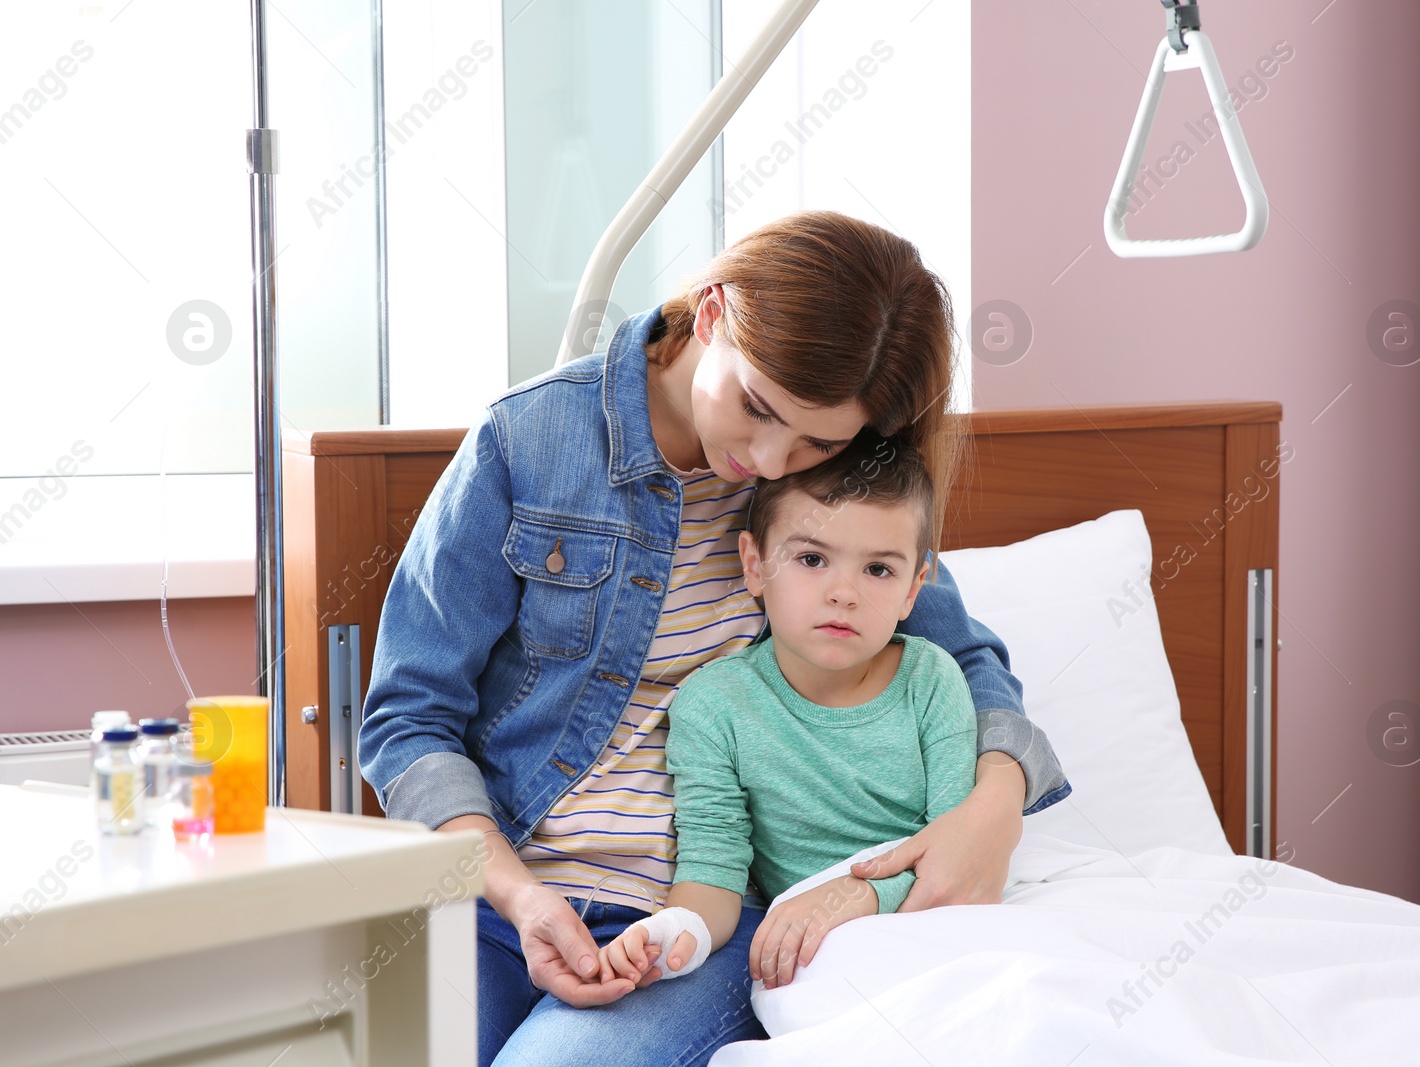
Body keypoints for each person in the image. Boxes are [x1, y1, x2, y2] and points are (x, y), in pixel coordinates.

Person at [357, 211, 1072, 1067]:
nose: (772, 460)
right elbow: (409, 717)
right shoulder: (529, 441)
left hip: (702, 915)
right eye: (758, 408)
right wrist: (518, 896)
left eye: (819, 438)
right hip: (492, 894)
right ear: (710, 312)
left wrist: (995, 806)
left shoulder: (826, 492)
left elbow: (964, 661)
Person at [596, 434, 980, 994]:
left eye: (878, 570)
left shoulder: (932, 681)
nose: (844, 593)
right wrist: (675, 931)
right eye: (811, 559)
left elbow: (955, 853)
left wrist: (855, 896)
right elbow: (714, 871)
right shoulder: (715, 703)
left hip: (932, 931)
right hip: (812, 961)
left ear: (912, 590)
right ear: (754, 565)